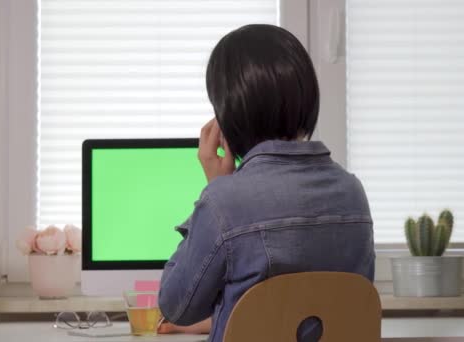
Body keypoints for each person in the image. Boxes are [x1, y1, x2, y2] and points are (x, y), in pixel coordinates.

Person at [157, 24, 374, 342]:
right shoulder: (353, 193)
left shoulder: (225, 202)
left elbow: (176, 308)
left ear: (227, 115)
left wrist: (213, 188)